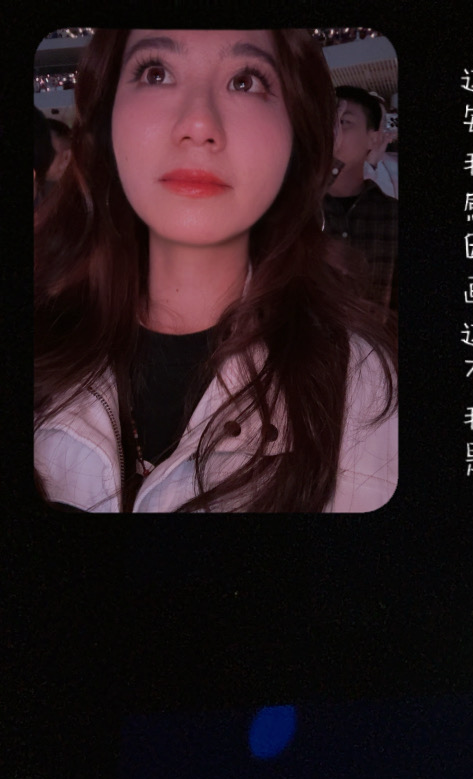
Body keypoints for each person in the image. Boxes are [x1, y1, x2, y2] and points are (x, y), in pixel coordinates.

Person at [34, 29, 396, 513]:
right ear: (107, 120)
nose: (199, 123)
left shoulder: (359, 389)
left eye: (245, 81)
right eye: (156, 73)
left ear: (295, 134)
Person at [323, 85, 397, 316]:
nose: (331, 131)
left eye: (343, 121)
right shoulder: (299, 209)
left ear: (373, 140)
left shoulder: (392, 214)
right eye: (326, 122)